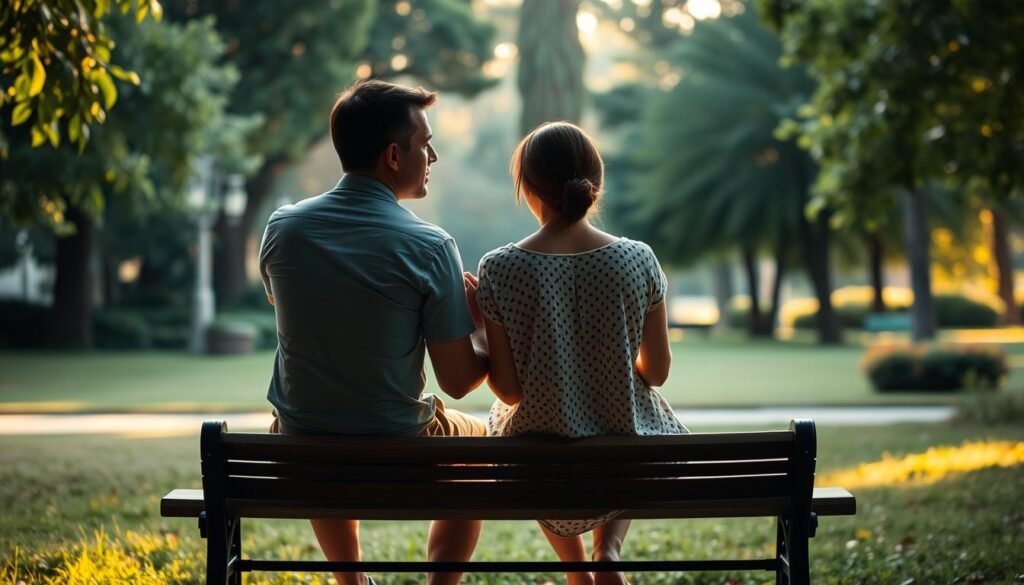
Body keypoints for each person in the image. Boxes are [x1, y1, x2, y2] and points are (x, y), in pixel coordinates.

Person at [258, 80, 489, 585]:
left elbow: (291, 306)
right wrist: (479, 327)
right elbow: (457, 382)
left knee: (324, 416)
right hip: (399, 448)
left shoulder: (283, 228)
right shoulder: (430, 245)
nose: (434, 155)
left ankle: (351, 581)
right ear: (392, 155)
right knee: (477, 440)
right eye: (424, 143)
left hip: (301, 450)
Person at [473, 122, 688, 585]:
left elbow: (509, 392)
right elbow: (658, 372)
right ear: (596, 181)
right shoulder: (638, 258)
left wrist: (477, 333)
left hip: (541, 457)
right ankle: (607, 550)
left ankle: (575, 568)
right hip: (622, 452)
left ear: (527, 188)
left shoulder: (499, 268)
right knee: (630, 414)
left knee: (502, 422)